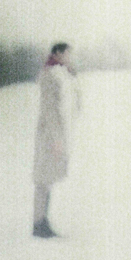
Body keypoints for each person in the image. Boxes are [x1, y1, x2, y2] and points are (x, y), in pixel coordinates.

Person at [32, 43, 81, 238]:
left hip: (58, 134)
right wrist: (56, 139)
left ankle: (42, 221)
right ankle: (39, 224)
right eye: (67, 54)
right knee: (43, 179)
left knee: (48, 178)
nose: (70, 57)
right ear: (58, 54)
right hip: (50, 136)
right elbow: (49, 110)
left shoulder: (63, 73)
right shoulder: (49, 75)